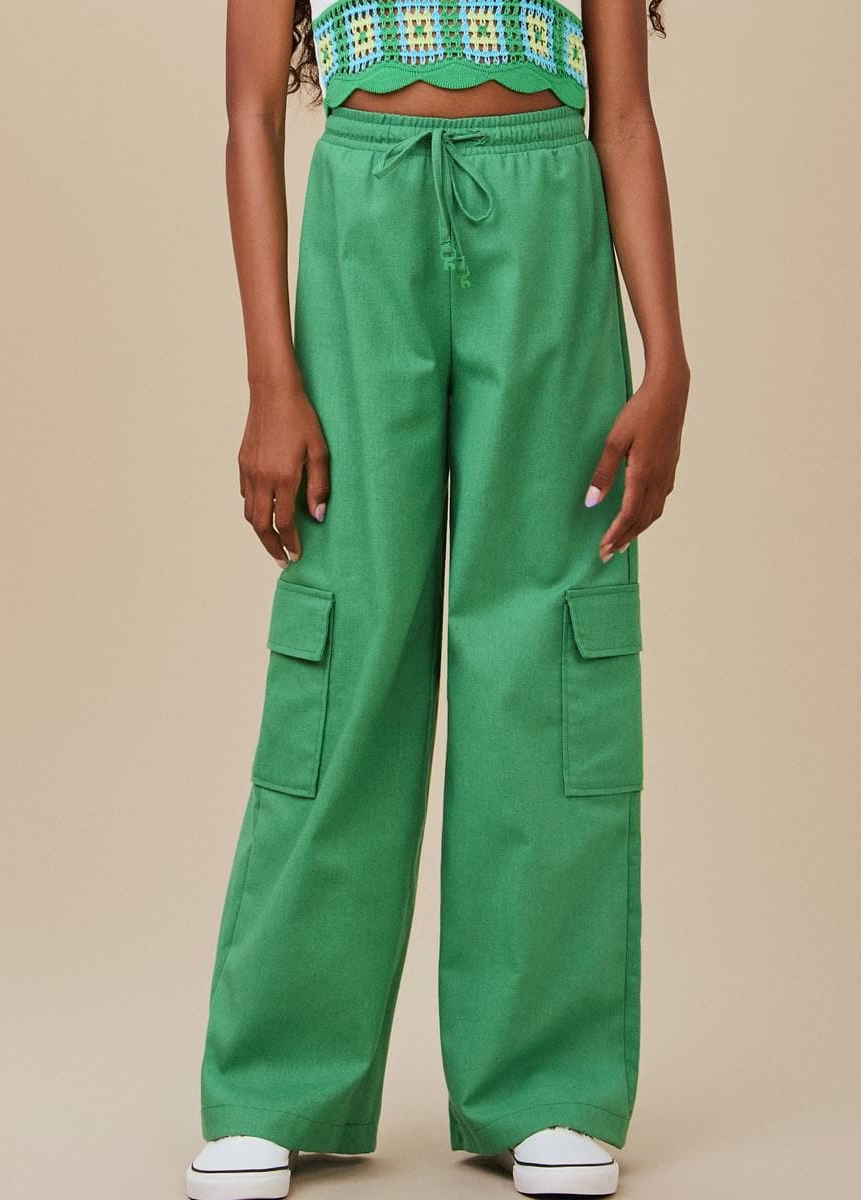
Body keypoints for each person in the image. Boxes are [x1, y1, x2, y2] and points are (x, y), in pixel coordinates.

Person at [186, 1, 689, 1196]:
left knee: (547, 651)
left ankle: (549, 1081)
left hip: (551, 222)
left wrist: (668, 355)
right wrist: (269, 375)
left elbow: (622, 116)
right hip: (363, 221)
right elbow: (250, 115)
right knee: (348, 642)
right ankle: (273, 1080)